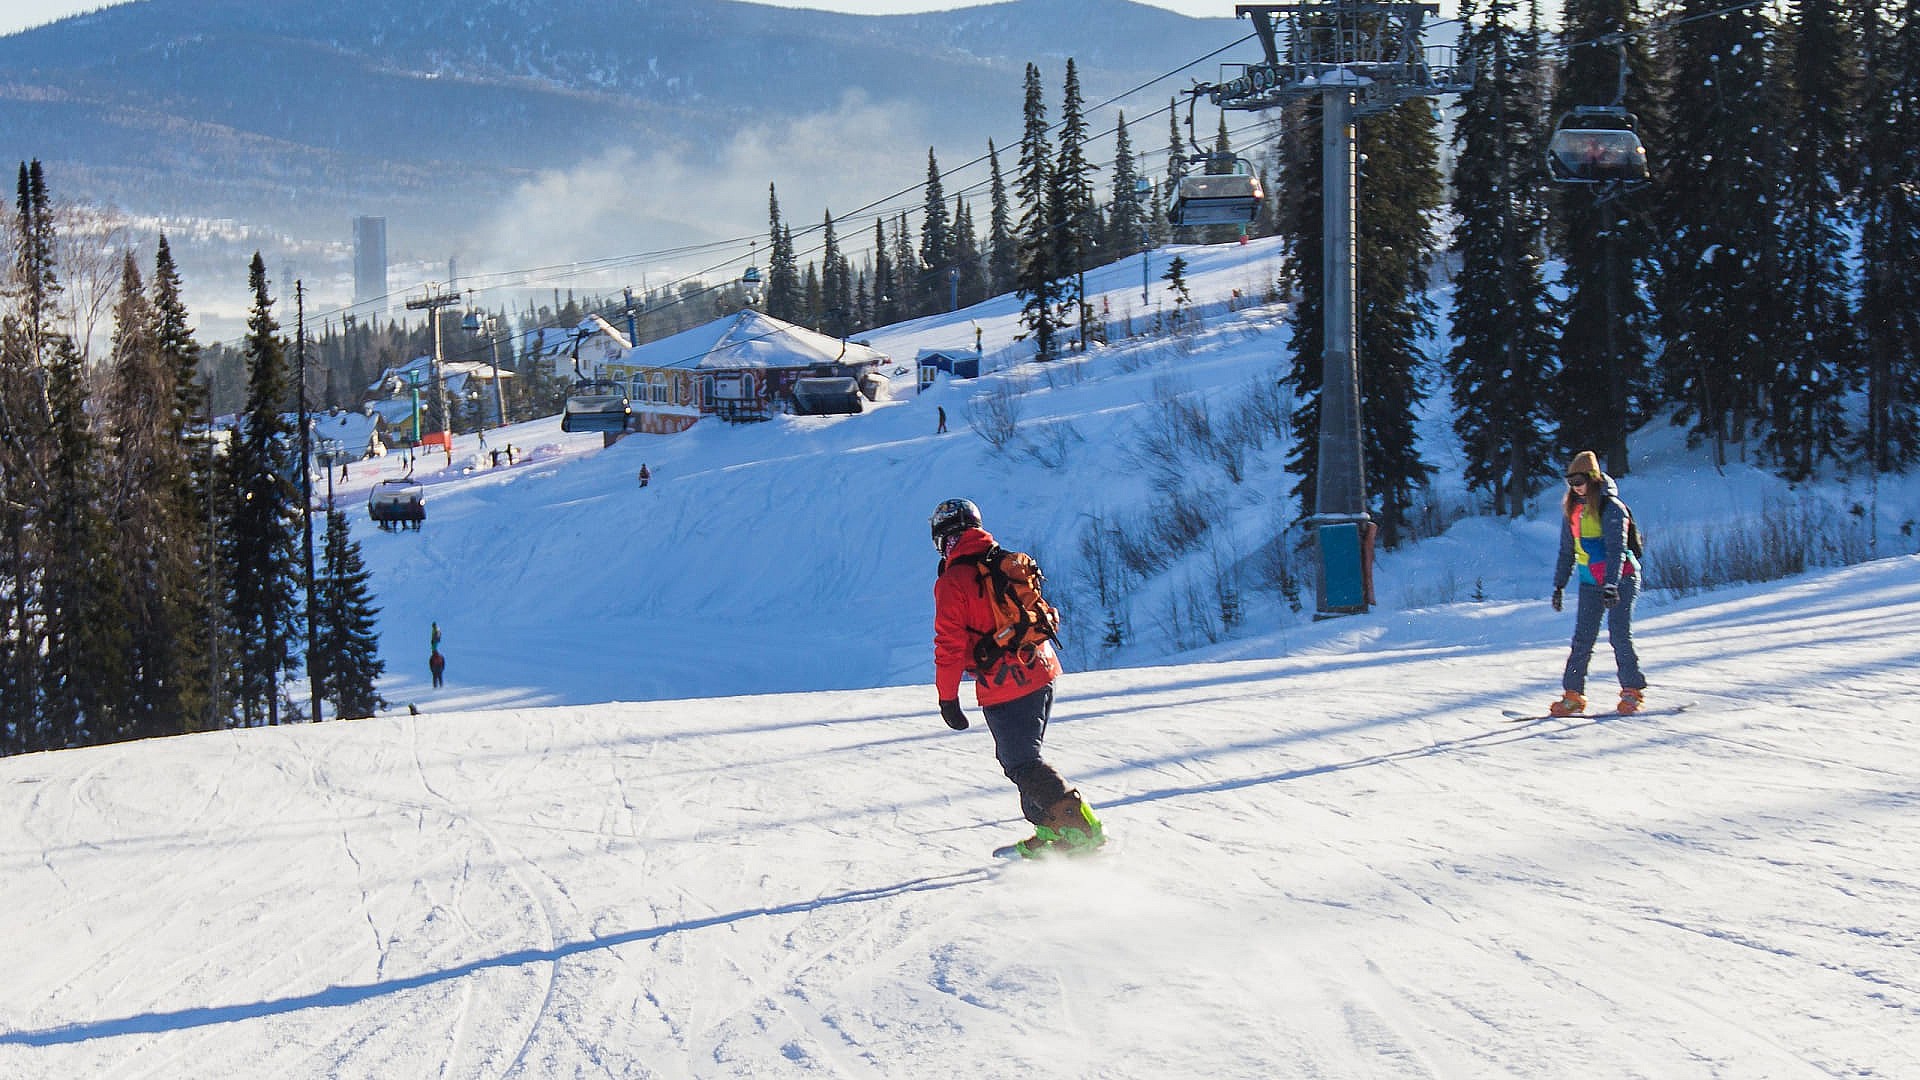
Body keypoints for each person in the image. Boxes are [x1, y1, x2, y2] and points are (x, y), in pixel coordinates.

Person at [930, 498, 1104, 857]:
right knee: (1024, 759)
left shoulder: (955, 580)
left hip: (1006, 683)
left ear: (944, 537)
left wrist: (948, 698)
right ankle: (1050, 831)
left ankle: (1082, 832)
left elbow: (948, 645)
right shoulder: (1002, 561)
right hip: (1042, 668)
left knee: (1022, 762)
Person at [1549, 450, 1647, 716]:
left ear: (1592, 478)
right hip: (1590, 582)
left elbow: (1616, 550)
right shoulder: (1573, 510)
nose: (1575, 487)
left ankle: (1632, 691)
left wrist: (1612, 585)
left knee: (1619, 635)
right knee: (1582, 639)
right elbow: (1566, 551)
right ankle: (1573, 696)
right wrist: (1559, 585)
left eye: (1579, 480)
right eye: (1570, 482)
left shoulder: (1611, 507)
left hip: (1621, 579)